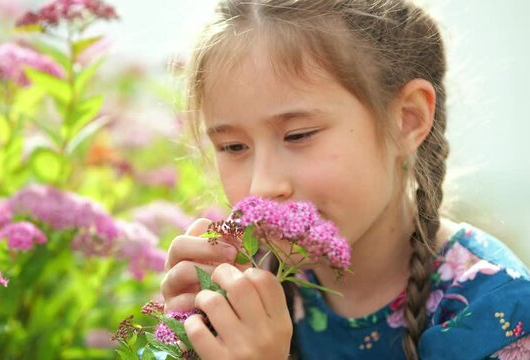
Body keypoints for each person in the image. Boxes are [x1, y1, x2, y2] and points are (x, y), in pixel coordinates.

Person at [160, 1, 530, 359]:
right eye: (233, 146)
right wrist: (189, 339)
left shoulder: (498, 311)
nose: (262, 186)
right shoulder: (249, 283)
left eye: (299, 135)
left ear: (408, 119)